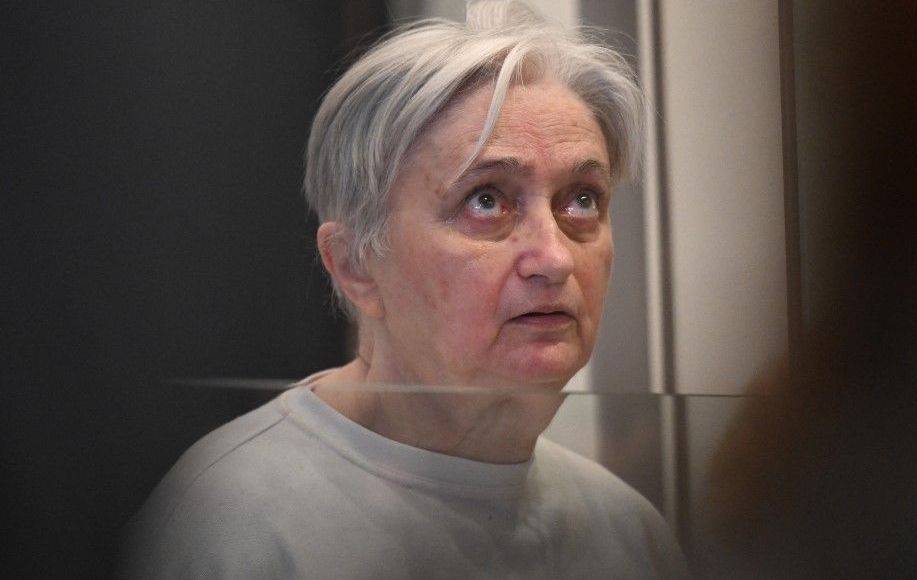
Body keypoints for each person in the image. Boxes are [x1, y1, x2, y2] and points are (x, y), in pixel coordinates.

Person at [122, 1, 685, 578]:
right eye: (485, 200)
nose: (555, 258)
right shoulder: (225, 528)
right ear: (355, 265)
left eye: (582, 200)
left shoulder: (630, 533)